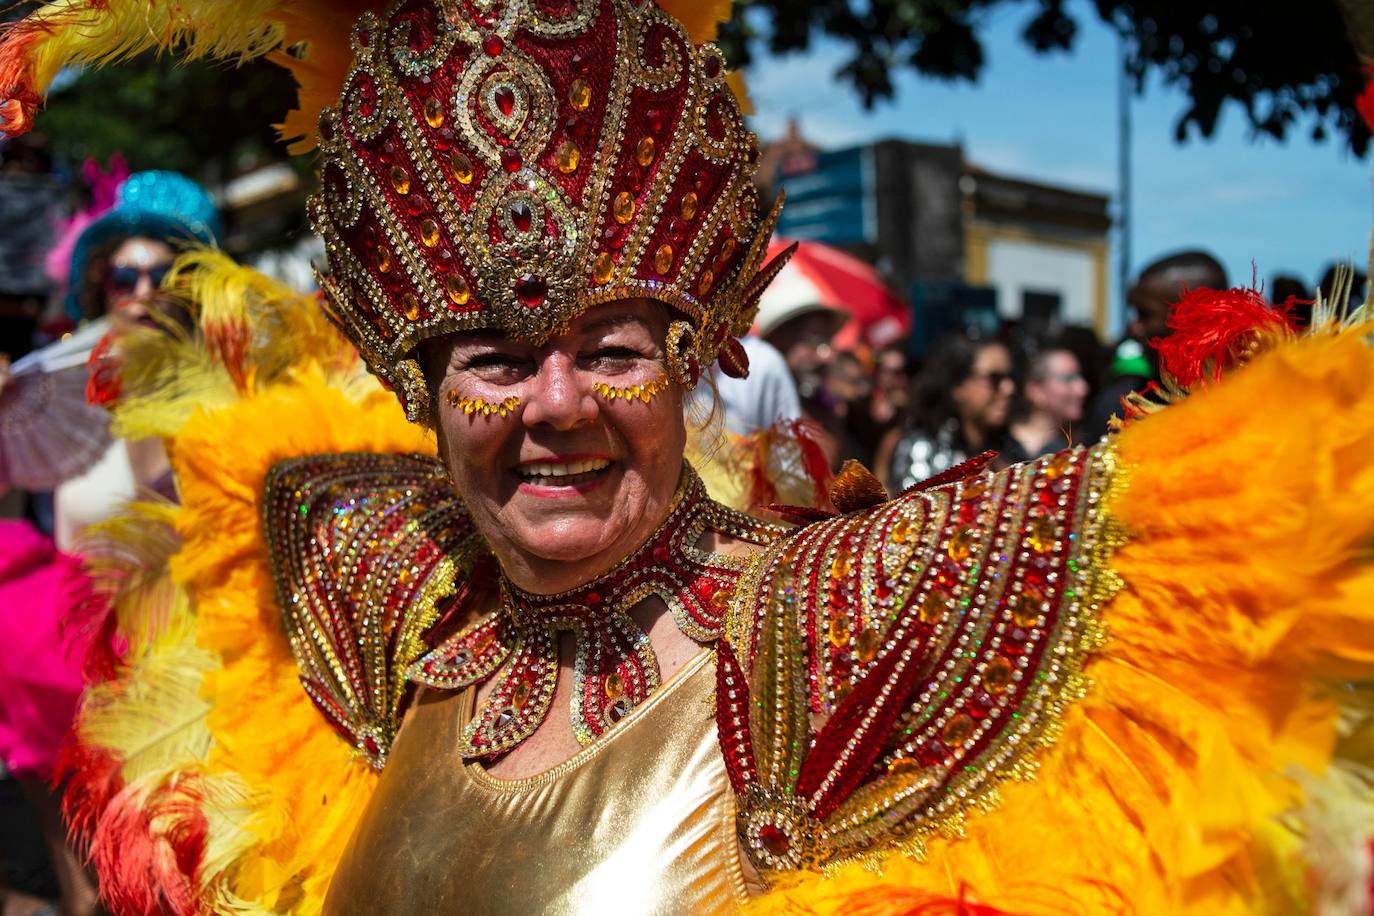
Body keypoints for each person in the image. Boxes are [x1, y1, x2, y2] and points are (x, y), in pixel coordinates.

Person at [5, 3, 1374, 914]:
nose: (554, 407)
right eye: (489, 356)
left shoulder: (830, 626)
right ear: (417, 390)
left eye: (612, 349)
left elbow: (1275, 514)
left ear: (704, 352)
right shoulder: (382, 590)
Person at [1084, 249, 1227, 439]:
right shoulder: (1117, 408)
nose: (1134, 328)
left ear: (1195, 319)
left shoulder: (1258, 399)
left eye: (1145, 314)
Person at [874, 332, 1016, 493]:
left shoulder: (1010, 450)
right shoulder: (923, 449)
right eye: (995, 379)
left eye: (1011, 378)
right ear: (956, 385)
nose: (1008, 388)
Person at [1009, 343, 1089, 459]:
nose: (1082, 389)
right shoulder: (1002, 446)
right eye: (1068, 379)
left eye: (1079, 377)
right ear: (1035, 390)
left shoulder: (1080, 448)